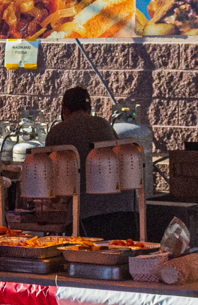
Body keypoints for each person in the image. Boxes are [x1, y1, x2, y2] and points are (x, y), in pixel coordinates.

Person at [45, 87, 139, 239]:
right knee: (121, 257)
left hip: (87, 213)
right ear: (89, 109)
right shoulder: (104, 125)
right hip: (124, 209)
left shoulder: (57, 132)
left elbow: (49, 180)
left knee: (86, 258)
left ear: (64, 110)